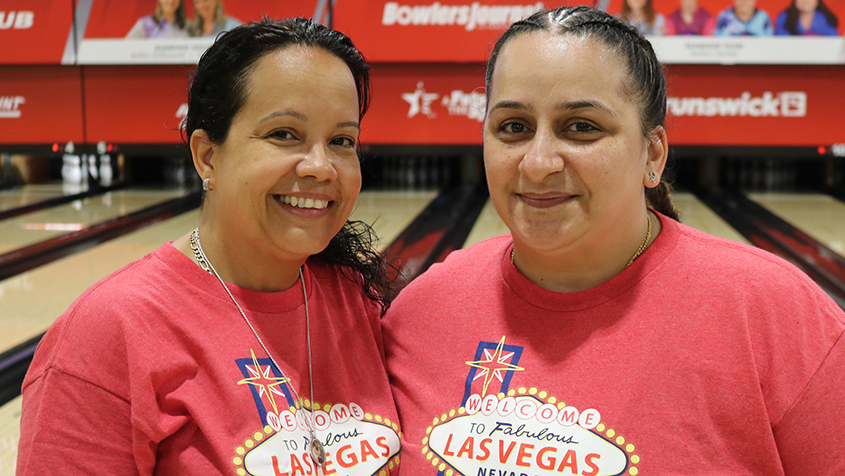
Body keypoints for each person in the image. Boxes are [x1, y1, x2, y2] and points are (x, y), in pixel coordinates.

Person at [383, 6, 845, 476]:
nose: (538, 162)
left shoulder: (779, 317)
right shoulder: (418, 312)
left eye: (582, 127)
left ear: (653, 153)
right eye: (513, 127)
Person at [18, 18, 402, 475]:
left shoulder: (355, 299)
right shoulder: (107, 334)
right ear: (207, 155)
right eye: (284, 134)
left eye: (342, 141)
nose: (322, 166)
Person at [775, 0, 839, 35]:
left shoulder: (827, 18)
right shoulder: (784, 17)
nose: (806, 1)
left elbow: (833, 44)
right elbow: (781, 43)